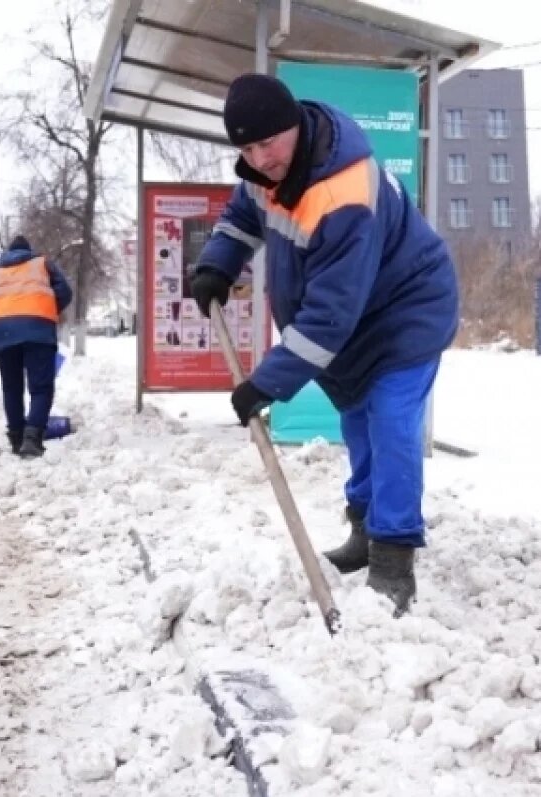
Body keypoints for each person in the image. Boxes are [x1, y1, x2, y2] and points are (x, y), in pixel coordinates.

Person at [189, 73, 460, 615]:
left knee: (390, 421)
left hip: (406, 311)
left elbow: (328, 317)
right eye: (246, 148)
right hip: (357, 318)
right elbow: (244, 215)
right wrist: (218, 265)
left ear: (293, 125)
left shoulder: (343, 191)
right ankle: (365, 530)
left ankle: (394, 558)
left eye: (268, 143)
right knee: (358, 420)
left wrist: (266, 383)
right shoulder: (265, 175)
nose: (260, 158)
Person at [0, 234, 73, 458]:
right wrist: (49, 310)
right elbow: (65, 292)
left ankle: (16, 438)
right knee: (41, 387)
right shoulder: (42, 263)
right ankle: (32, 439)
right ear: (29, 250)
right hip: (37, 330)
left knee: (11, 387)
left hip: (3, 333)